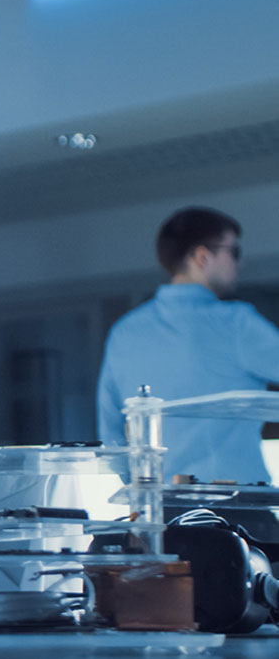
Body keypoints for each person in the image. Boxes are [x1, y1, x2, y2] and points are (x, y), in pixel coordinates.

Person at [97, 206, 279, 485]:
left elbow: (111, 436)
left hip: (161, 513)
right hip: (236, 509)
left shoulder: (124, 332)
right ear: (202, 256)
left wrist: (144, 491)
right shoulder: (235, 324)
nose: (238, 264)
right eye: (233, 252)